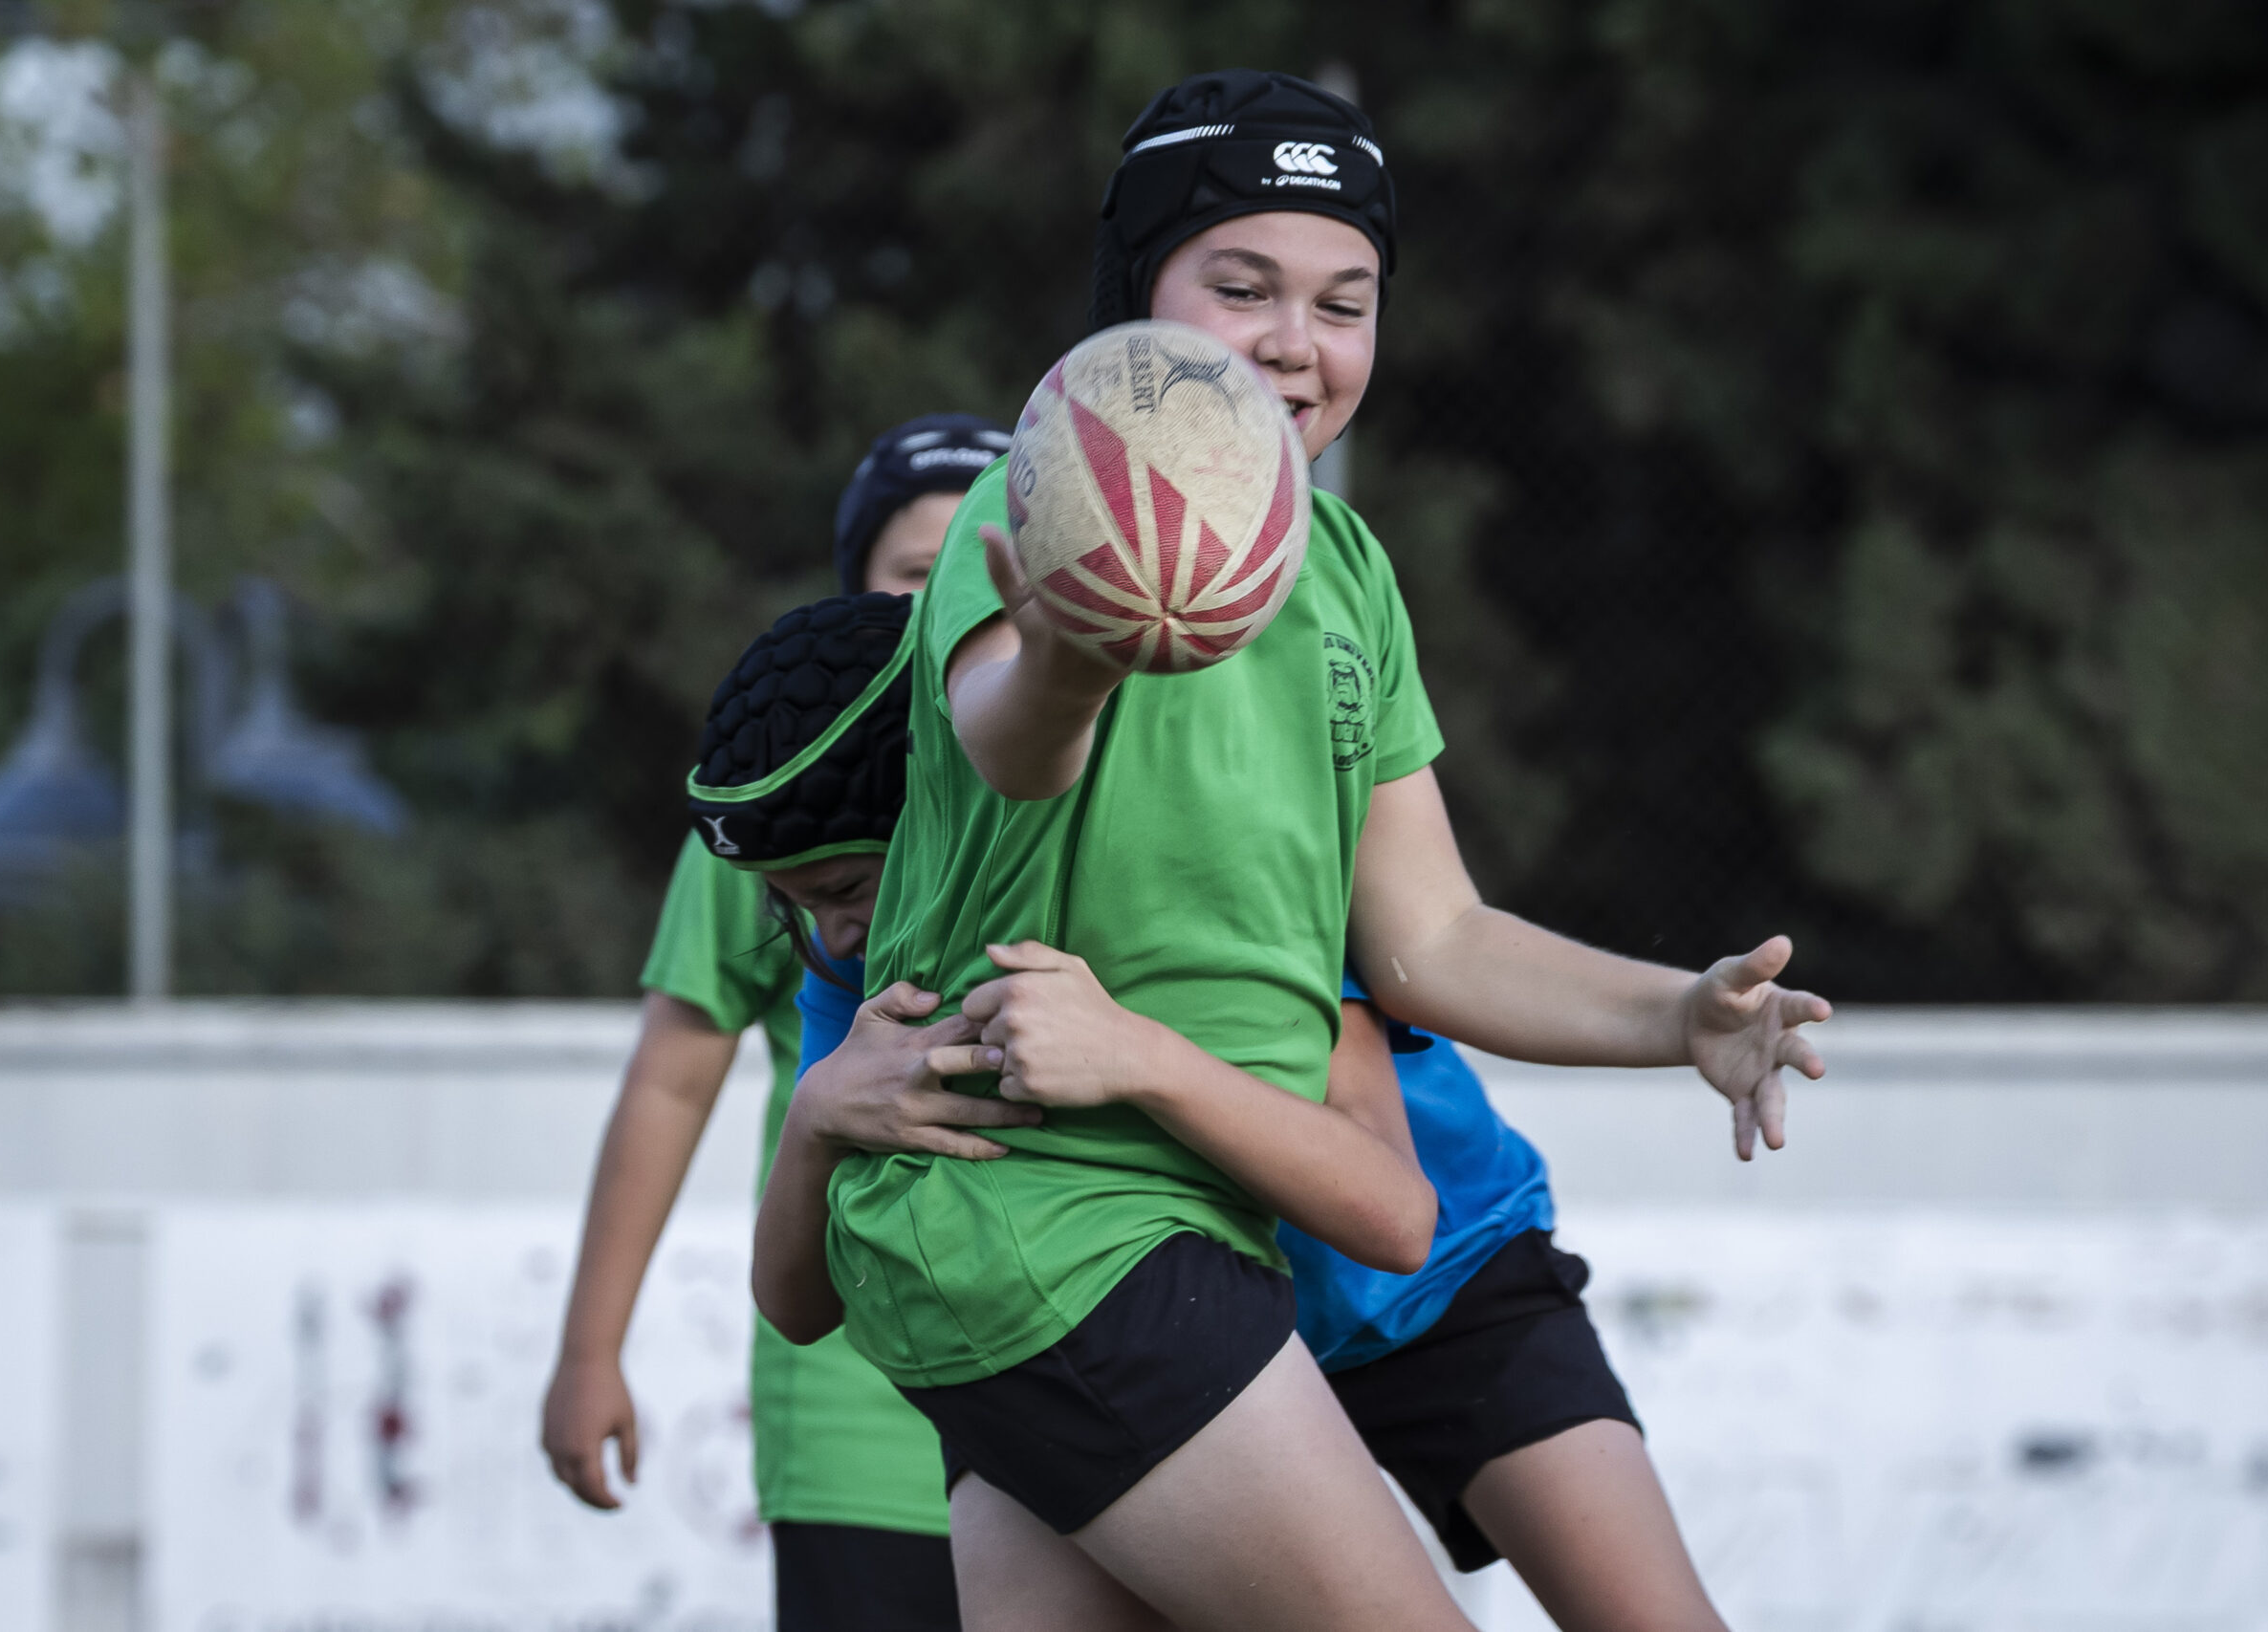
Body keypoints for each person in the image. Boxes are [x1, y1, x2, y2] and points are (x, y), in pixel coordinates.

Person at [754, 70, 1830, 1632]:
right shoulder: (1050, 491)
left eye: (1346, 300)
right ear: (1138, 300)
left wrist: (1681, 1016)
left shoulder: (1344, 568)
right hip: (1051, 1222)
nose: (1295, 343)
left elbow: (1430, 942)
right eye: (1239, 285)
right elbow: (1006, 730)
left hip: (1155, 1239)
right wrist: (1072, 647)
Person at [537, 413, 1011, 1632]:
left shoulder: (1059, 785)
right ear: (850, 592)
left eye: (985, 554)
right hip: (860, 1410)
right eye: (915, 570)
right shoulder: (779, 813)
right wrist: (592, 1348)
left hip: (1082, 1385)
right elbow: (672, 1075)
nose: (947, 590)